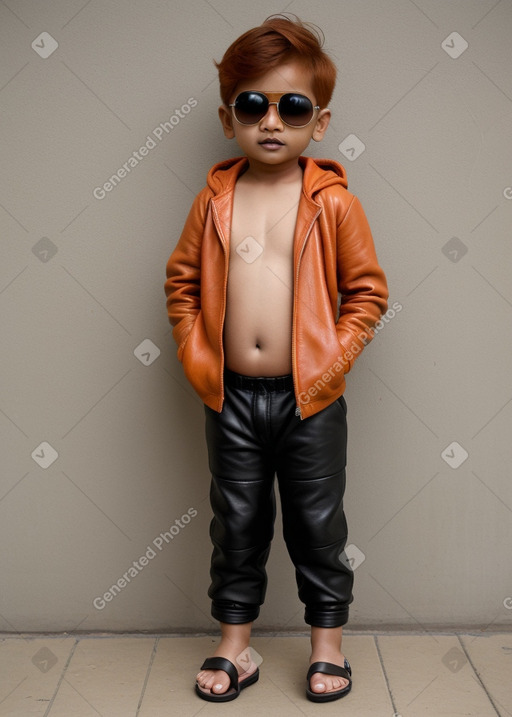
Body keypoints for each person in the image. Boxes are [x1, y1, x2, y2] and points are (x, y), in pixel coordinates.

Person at [164, 15, 388, 703]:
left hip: (309, 398)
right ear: (228, 115)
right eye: (252, 104)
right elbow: (180, 284)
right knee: (236, 521)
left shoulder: (335, 204)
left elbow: (368, 294)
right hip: (230, 394)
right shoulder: (214, 202)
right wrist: (198, 356)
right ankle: (237, 645)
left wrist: (327, 369)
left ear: (318, 122)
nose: (270, 120)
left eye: (290, 106)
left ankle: (329, 648)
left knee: (319, 522)